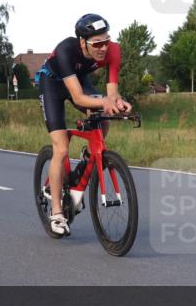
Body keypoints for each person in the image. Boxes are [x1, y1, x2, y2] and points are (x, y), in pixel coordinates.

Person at [35, 14, 131, 235]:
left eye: (106, 41)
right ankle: (57, 213)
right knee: (61, 148)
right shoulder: (66, 50)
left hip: (79, 78)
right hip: (53, 85)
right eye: (97, 44)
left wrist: (119, 102)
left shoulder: (113, 50)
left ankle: (89, 158)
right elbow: (78, 98)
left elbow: (111, 94)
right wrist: (104, 102)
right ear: (82, 42)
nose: (103, 48)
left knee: (104, 115)